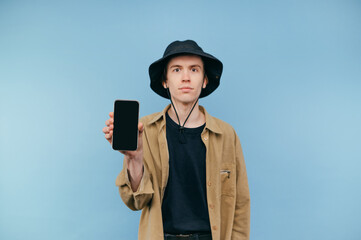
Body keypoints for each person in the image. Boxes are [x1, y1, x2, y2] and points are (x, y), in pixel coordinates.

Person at [103, 40, 250, 240]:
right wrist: (135, 157)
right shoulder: (144, 130)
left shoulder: (226, 134)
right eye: (177, 70)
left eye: (195, 70)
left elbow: (240, 205)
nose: (186, 77)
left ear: (205, 80)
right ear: (165, 81)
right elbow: (135, 202)